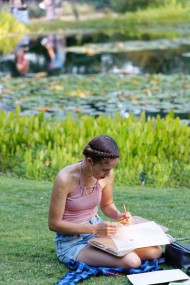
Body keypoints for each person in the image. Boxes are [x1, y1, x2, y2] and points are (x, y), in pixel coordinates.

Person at [48, 135, 162, 269]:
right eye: (105, 170)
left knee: (155, 251)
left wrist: (119, 215)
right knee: (133, 262)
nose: (108, 175)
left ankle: (117, 253)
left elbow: (107, 204)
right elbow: (54, 224)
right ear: (90, 161)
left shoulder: (106, 175)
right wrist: (95, 229)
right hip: (72, 241)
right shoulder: (65, 179)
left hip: (98, 230)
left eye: (111, 169)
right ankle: (120, 255)